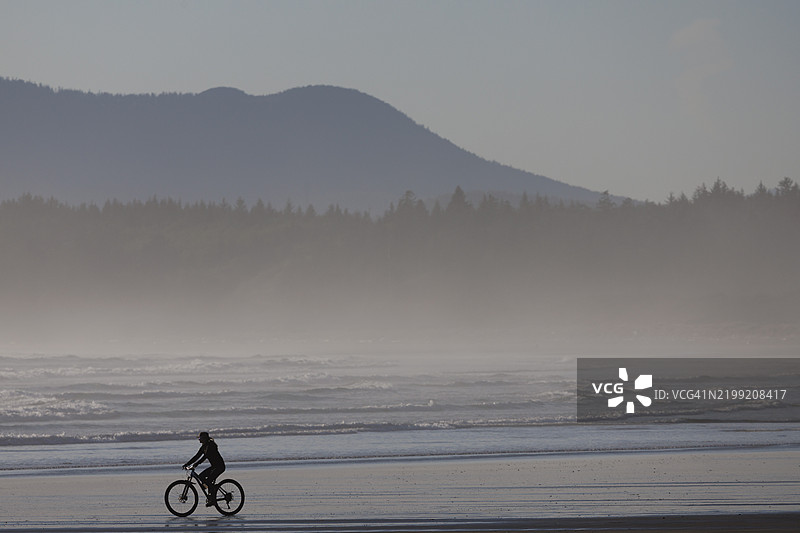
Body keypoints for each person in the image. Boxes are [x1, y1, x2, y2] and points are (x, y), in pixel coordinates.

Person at [183, 431, 226, 506]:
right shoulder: (203, 447)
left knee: (209, 481)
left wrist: (196, 464)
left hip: (220, 466)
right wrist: (187, 464)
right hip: (214, 467)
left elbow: (205, 456)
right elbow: (196, 456)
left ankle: (212, 499)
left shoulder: (211, 445)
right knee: (201, 477)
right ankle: (210, 489)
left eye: (200, 438)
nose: (199, 439)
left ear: (204, 438)